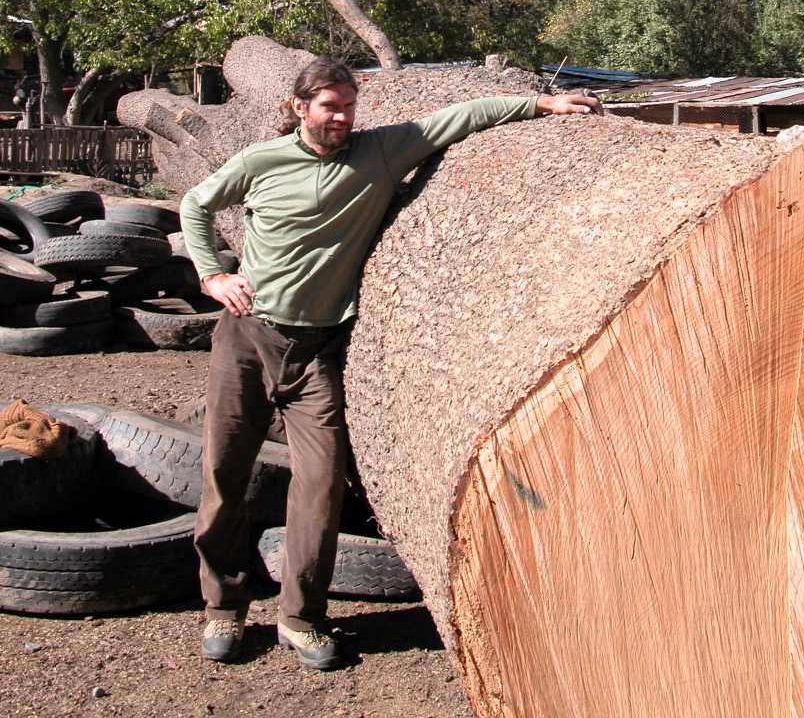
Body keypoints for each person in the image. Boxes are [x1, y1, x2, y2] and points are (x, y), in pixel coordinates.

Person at [180, 57, 602, 669]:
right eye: (331, 106)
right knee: (224, 476)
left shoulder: (377, 152)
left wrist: (541, 105)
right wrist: (212, 273)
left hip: (319, 351)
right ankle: (223, 604)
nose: (343, 117)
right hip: (247, 338)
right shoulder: (260, 163)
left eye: (349, 106)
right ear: (300, 108)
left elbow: (453, 119)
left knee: (321, 485)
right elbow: (195, 203)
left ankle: (301, 618)